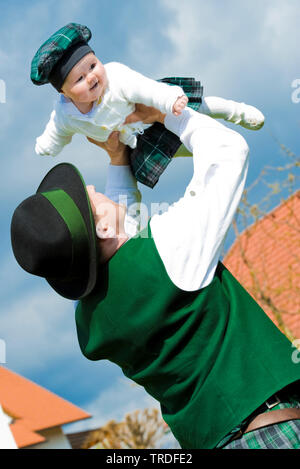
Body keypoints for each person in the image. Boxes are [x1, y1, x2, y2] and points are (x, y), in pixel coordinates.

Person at [11, 104, 300, 449]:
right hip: (272, 432)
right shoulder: (165, 248)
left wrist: (118, 159)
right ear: (101, 226)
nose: (93, 188)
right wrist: (166, 112)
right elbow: (229, 152)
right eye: (91, 197)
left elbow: (123, 243)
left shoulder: (91, 323)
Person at [31, 22, 265, 188]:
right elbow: (56, 132)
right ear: (64, 92)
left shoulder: (116, 77)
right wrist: (46, 146)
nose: (91, 77)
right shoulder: (65, 114)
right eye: (79, 79)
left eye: (92, 66)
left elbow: (146, 89)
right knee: (179, 150)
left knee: (199, 108)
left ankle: (235, 111)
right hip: (137, 140)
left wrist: (170, 99)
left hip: (159, 106)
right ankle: (214, 157)